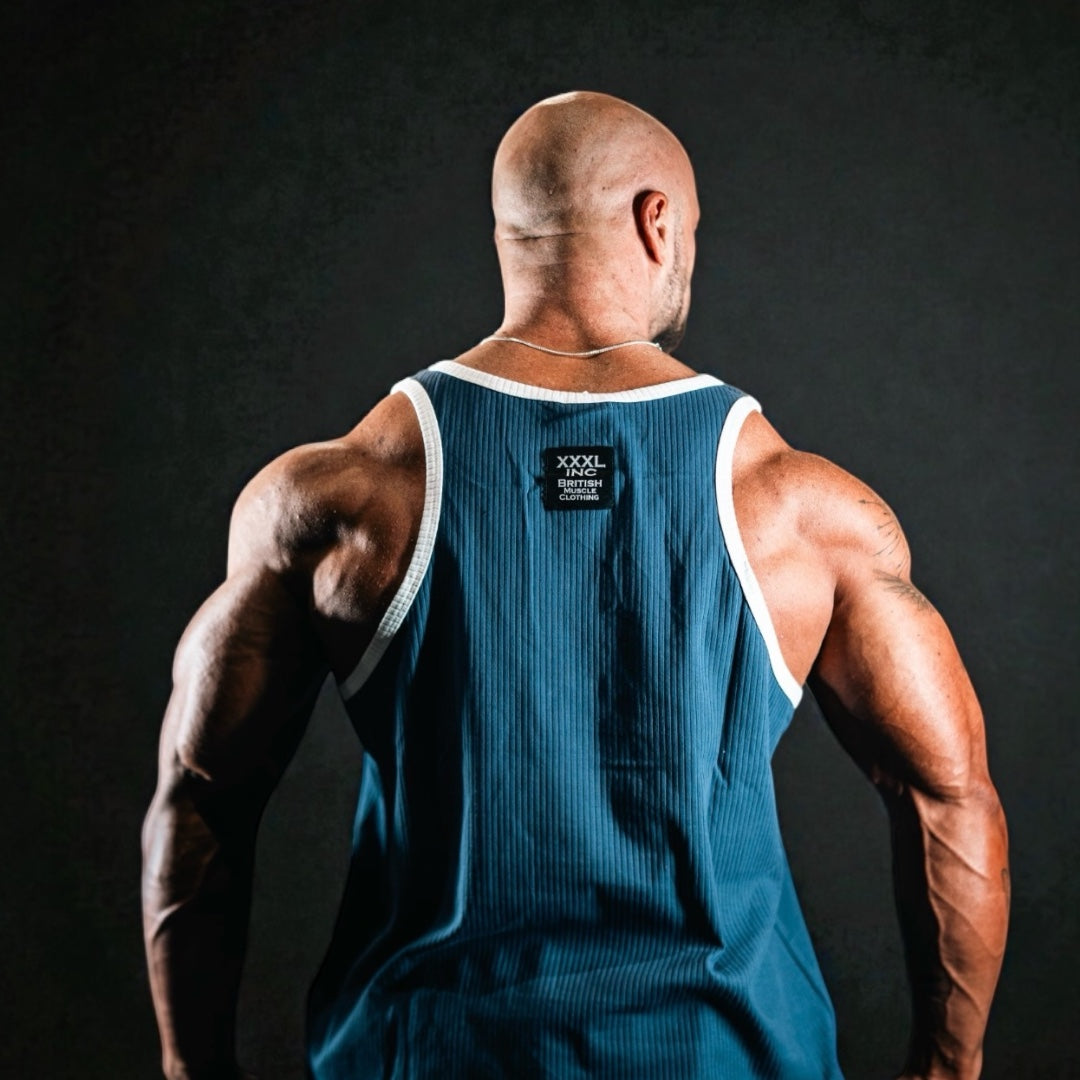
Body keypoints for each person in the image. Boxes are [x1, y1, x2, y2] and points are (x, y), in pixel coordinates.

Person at [141, 91, 1009, 1080]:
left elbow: (199, 802)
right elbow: (950, 801)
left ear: (510, 233)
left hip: (422, 1055)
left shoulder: (342, 497)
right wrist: (947, 1070)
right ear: (656, 220)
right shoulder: (798, 508)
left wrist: (191, 1070)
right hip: (722, 1056)